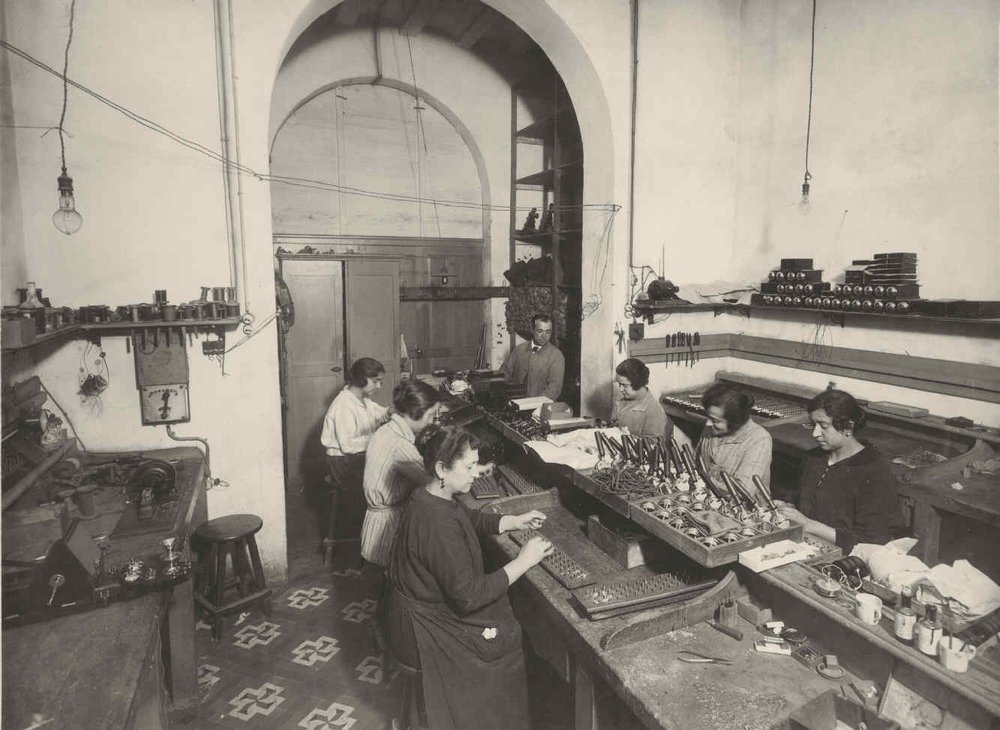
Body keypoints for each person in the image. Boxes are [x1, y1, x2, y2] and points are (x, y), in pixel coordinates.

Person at [386, 425, 553, 730]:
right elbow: (470, 596)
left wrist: (511, 520)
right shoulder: (436, 523)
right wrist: (523, 561)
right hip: (425, 628)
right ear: (441, 468)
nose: (478, 473)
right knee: (508, 641)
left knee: (510, 623)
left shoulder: (428, 494)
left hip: (414, 611)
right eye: (470, 466)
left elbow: (466, 518)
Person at [775, 389, 898, 552]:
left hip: (846, 558)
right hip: (804, 545)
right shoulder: (814, 458)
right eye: (813, 425)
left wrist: (809, 524)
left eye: (823, 426)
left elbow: (872, 542)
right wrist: (787, 506)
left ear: (848, 426)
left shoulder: (873, 470)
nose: (815, 433)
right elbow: (804, 499)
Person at [360, 379, 442, 570]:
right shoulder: (399, 445)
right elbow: (434, 482)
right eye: (430, 415)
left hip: (377, 525)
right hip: (387, 532)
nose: (431, 421)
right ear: (415, 412)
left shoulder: (386, 430)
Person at [318, 357, 392, 559]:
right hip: (343, 463)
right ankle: (380, 540)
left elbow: (382, 413)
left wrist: (395, 413)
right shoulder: (343, 405)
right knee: (391, 482)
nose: (379, 385)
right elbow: (349, 445)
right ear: (361, 380)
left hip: (353, 459)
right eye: (376, 380)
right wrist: (379, 438)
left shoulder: (362, 400)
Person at [696, 382, 772, 502]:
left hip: (744, 510)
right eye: (709, 417)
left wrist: (701, 480)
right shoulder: (712, 427)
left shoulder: (759, 439)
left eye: (715, 420)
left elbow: (743, 492)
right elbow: (697, 465)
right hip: (709, 498)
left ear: (736, 421)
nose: (708, 424)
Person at [499, 313, 565, 401]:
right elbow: (505, 372)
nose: (544, 336)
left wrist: (533, 404)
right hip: (516, 403)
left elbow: (554, 389)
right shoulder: (519, 349)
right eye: (540, 331)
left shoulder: (556, 356)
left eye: (548, 332)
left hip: (541, 407)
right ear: (532, 330)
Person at [611, 358, 672, 440]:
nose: (620, 389)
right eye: (619, 384)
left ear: (638, 383)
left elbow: (653, 446)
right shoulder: (620, 403)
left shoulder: (653, 410)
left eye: (625, 385)